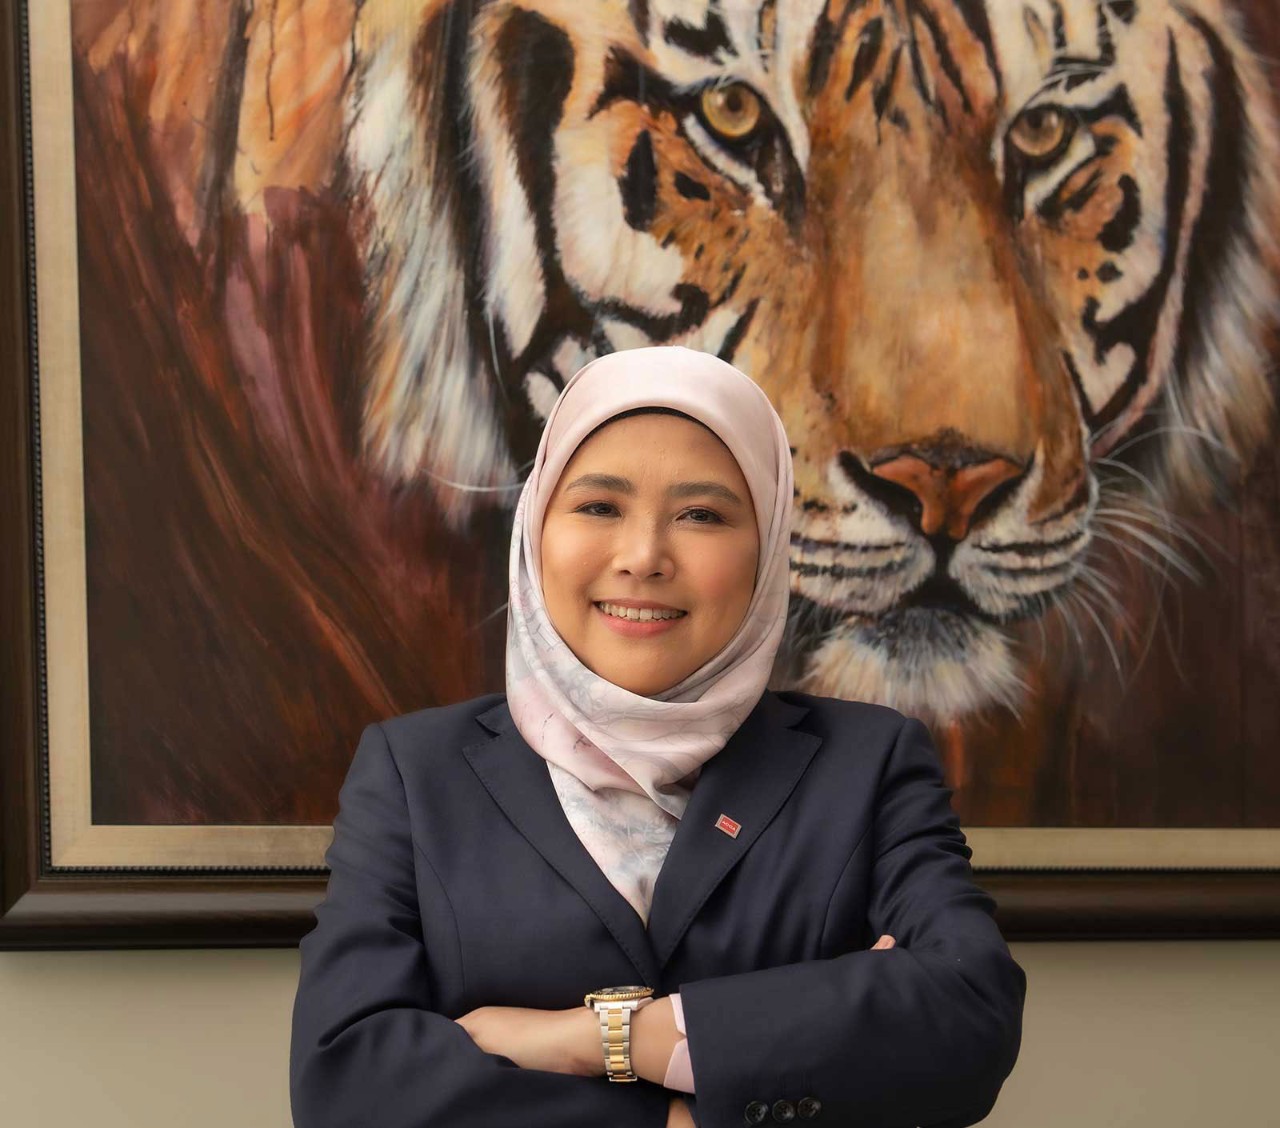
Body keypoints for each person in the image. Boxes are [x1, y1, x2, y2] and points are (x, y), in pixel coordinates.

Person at [289, 346, 1026, 1128]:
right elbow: (346, 1082)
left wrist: (601, 1039)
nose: (643, 558)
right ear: (536, 528)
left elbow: (967, 1014)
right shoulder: (415, 773)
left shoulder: (869, 763)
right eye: (598, 507)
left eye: (701, 515)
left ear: (767, 545)